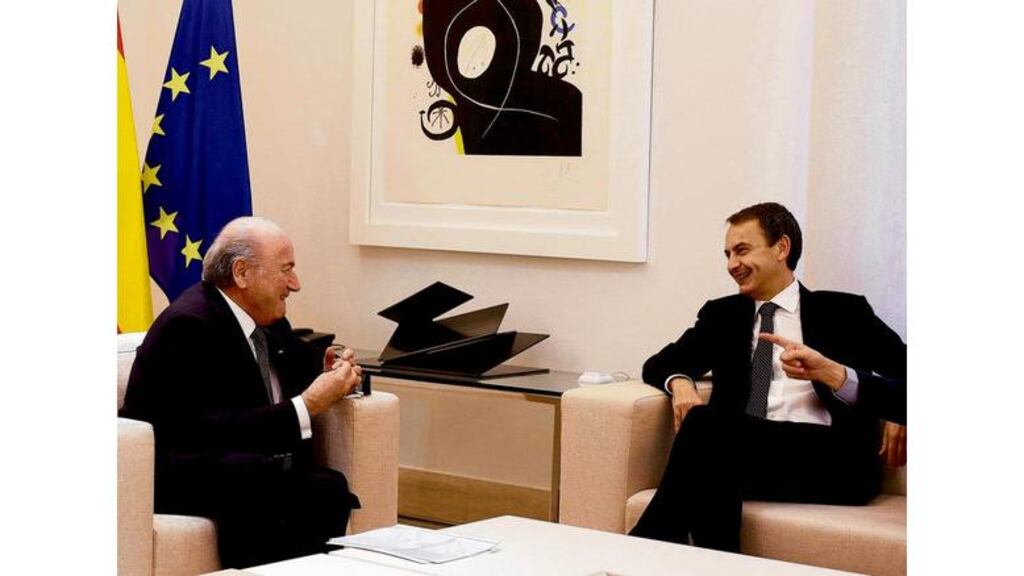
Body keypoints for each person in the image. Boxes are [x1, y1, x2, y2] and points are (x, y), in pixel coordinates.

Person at [628, 202, 907, 552]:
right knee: (714, 454)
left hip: (830, 461)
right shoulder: (723, 316)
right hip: (747, 454)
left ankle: (642, 550)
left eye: (742, 250)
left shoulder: (843, 312)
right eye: (728, 254)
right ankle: (708, 564)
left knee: (708, 433)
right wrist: (680, 382)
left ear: (782, 248)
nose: (732, 264)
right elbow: (658, 364)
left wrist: (901, 411)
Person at [120, 216, 363, 568]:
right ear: (241, 273)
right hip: (177, 468)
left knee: (327, 487)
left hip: (236, 460)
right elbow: (206, 427)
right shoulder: (188, 325)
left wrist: (328, 373)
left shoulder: (268, 317)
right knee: (281, 486)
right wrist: (309, 404)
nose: (295, 284)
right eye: (286, 270)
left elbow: (290, 369)